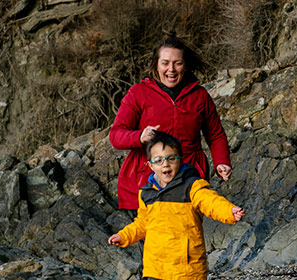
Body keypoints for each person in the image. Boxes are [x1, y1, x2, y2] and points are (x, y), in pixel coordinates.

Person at [108, 36, 233, 210]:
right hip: (145, 183)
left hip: (188, 179)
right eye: (165, 63)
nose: (171, 69)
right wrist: (140, 136)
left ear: (185, 65)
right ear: (156, 65)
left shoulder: (200, 95)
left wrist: (222, 162)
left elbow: (215, 134)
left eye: (178, 63)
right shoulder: (138, 93)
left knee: (186, 234)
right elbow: (116, 135)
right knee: (152, 236)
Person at [108, 131, 246, 280]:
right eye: (158, 160)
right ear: (150, 165)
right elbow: (142, 223)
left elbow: (210, 201)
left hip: (186, 268)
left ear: (180, 160)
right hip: (155, 268)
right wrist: (123, 236)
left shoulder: (191, 186)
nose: (165, 164)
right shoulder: (146, 193)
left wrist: (228, 211)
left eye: (171, 159)